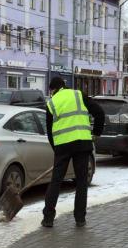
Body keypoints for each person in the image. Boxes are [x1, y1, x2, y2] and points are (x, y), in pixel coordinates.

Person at [42, 77, 105, 228]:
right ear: (64, 86)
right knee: (81, 182)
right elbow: (100, 113)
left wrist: (56, 149)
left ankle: (48, 218)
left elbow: (50, 132)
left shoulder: (51, 103)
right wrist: (96, 133)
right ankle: (80, 219)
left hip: (62, 147)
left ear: (53, 89)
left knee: (56, 181)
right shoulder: (79, 95)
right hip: (82, 144)